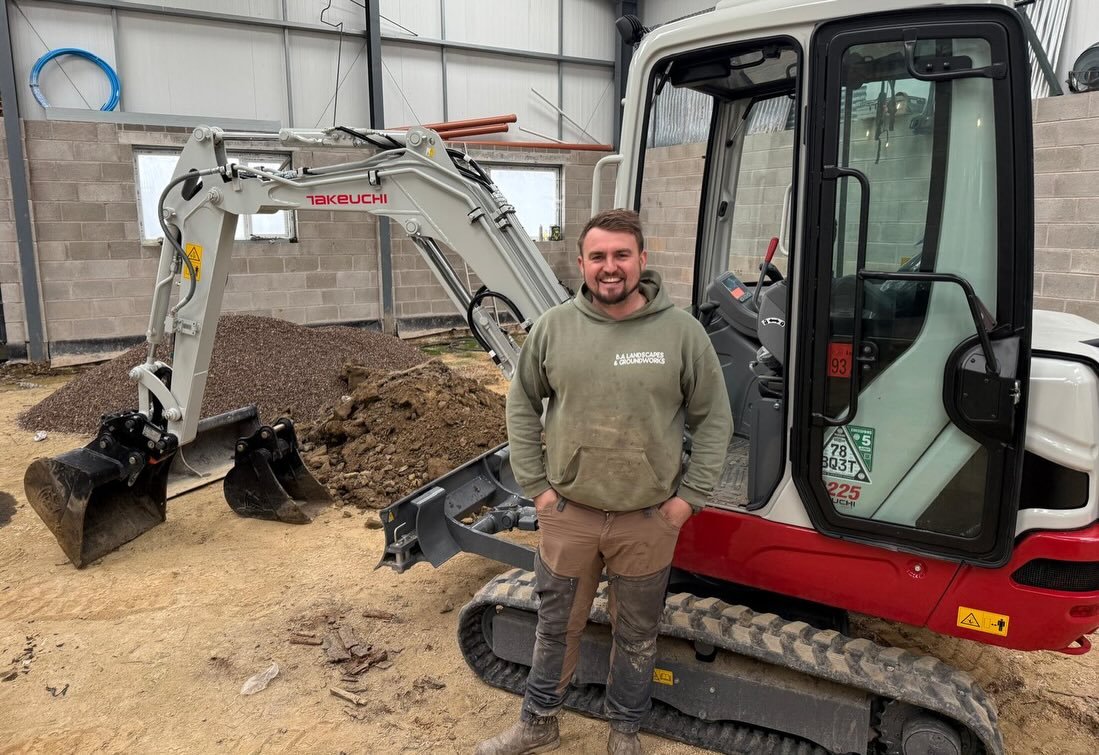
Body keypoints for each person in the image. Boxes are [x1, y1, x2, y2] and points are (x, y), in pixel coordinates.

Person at [476, 209, 733, 755]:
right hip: (570, 516)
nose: (609, 267)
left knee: (636, 634)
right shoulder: (554, 329)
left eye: (621, 255)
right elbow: (522, 403)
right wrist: (539, 490)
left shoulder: (680, 333)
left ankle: (624, 732)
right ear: (582, 263)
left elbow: (714, 418)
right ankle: (539, 720)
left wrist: (688, 501)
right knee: (555, 625)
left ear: (642, 259)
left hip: (647, 521)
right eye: (598, 257)